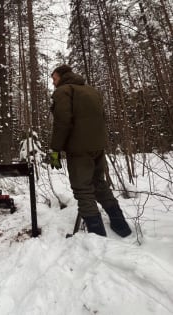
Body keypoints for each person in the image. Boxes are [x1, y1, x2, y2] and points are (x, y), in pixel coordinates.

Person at [49, 65, 131, 237]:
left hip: (79, 150)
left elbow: (62, 122)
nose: (53, 82)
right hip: (98, 146)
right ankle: (121, 227)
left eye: (54, 78)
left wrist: (55, 149)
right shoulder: (91, 91)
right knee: (99, 183)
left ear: (63, 76)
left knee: (82, 189)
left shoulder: (63, 91)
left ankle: (97, 236)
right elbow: (103, 117)